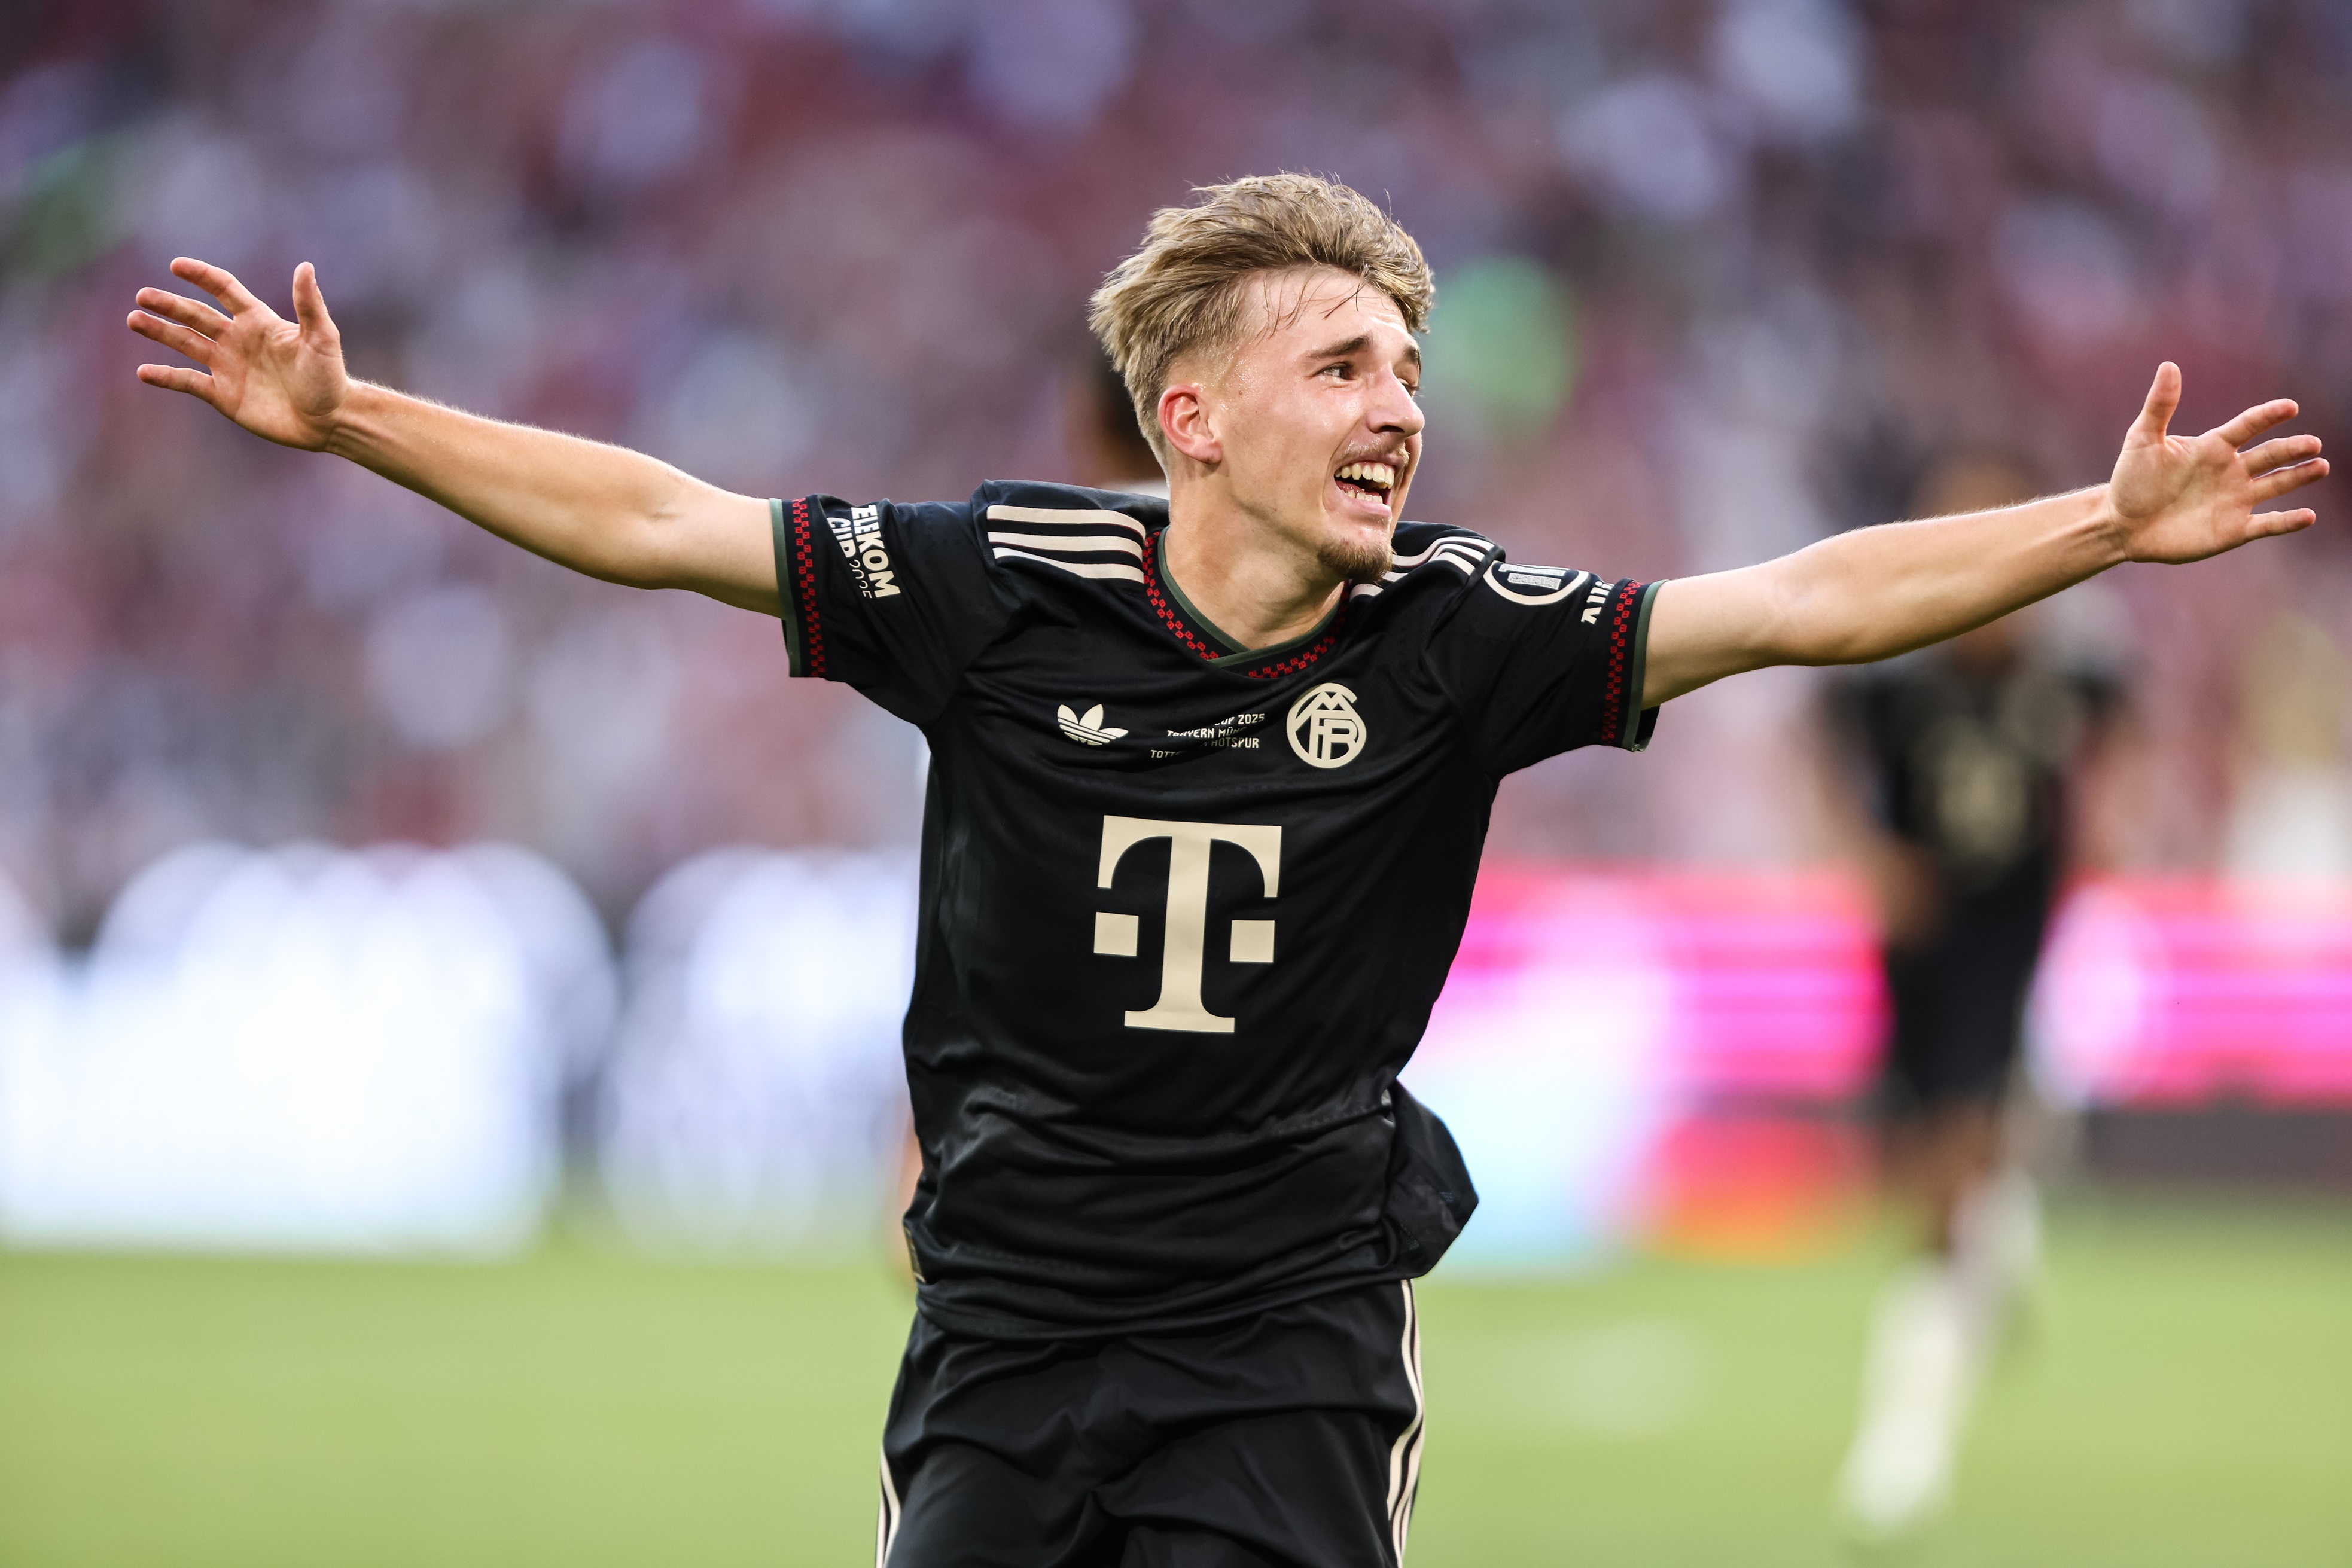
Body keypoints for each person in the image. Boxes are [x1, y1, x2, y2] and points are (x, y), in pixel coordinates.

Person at [127, 174, 2323, 1567]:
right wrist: (357, 419)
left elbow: (1797, 602)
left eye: (1409, 370)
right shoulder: (995, 581)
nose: (1400, 408)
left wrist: (2097, 525)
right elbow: (658, 521)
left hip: (1284, 1340)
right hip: (1004, 1322)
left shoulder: (1456, 631)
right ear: (1189, 417)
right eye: (1342, 365)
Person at [1827, 453, 2125, 1539]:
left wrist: (2101, 835)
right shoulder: (1896, 675)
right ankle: (2003, 1240)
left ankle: (1903, 1444)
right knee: (1923, 1170)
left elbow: (2119, 748)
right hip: (1917, 956)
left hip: (2005, 950)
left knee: (1945, 1188)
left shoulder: (2065, 677)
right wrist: (1871, 858)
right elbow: (1821, 740)